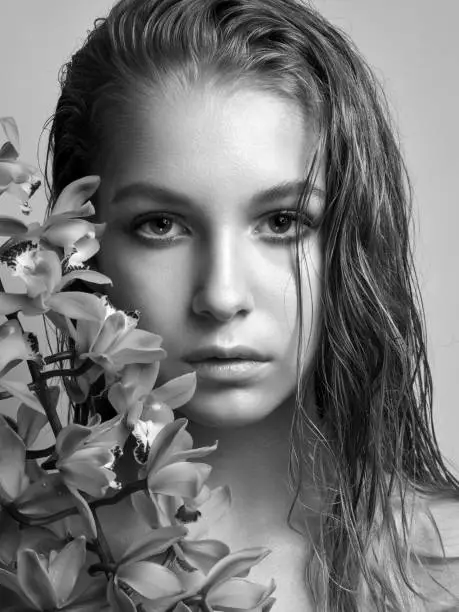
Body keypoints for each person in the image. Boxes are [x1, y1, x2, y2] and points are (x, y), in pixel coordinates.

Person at [44, 0, 459, 609]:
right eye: (161, 225)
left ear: (353, 240)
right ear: (84, 248)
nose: (222, 295)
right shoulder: (29, 566)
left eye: (283, 221)